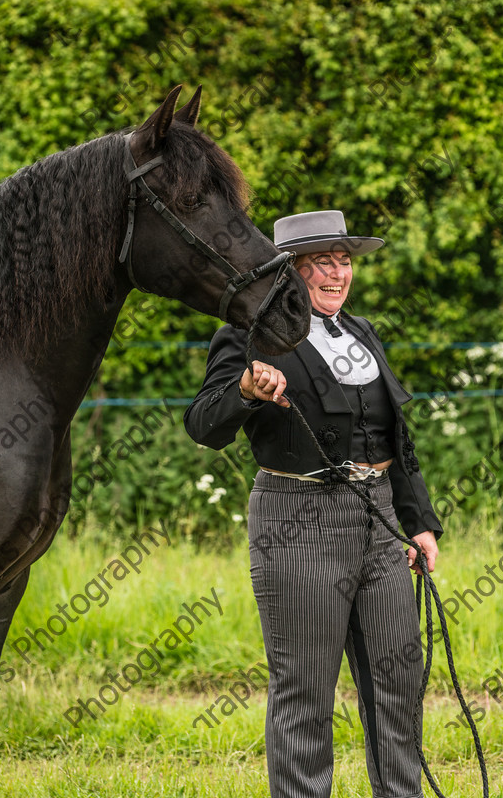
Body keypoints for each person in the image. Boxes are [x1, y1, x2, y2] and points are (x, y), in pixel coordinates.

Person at [184, 210, 443, 798]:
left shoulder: (363, 332)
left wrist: (419, 522)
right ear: (290, 274)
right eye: (320, 261)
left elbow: (395, 437)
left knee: (398, 680)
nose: (336, 272)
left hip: (378, 523)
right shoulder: (247, 335)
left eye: (343, 259)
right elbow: (203, 424)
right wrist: (247, 391)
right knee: (305, 690)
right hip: (297, 522)